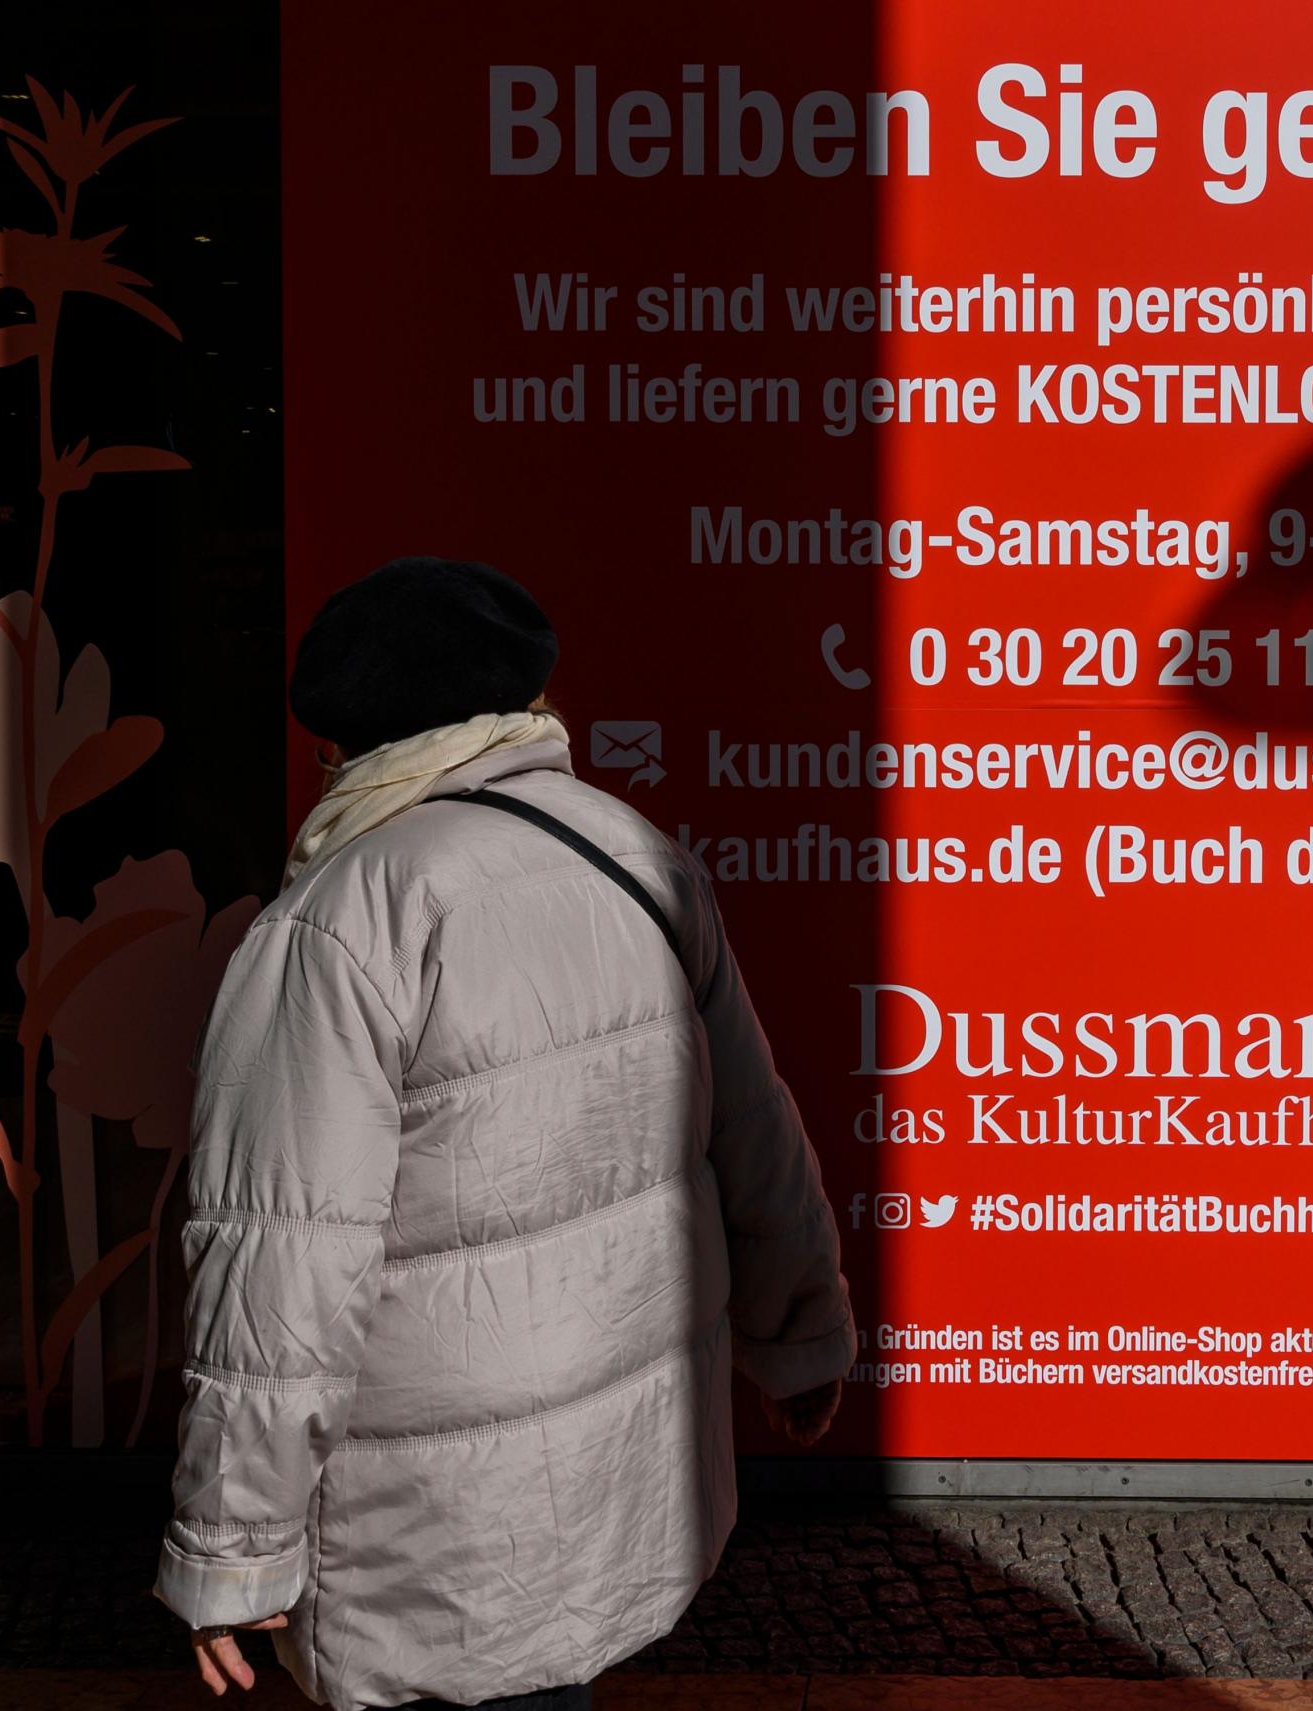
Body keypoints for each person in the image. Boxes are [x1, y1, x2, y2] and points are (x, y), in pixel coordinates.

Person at [153, 557, 854, 1709]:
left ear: (344, 739)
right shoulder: (631, 851)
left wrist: (233, 1543)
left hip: (430, 1521)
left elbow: (282, 1256)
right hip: (608, 1464)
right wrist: (802, 1331)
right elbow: (753, 1123)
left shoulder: (341, 919)